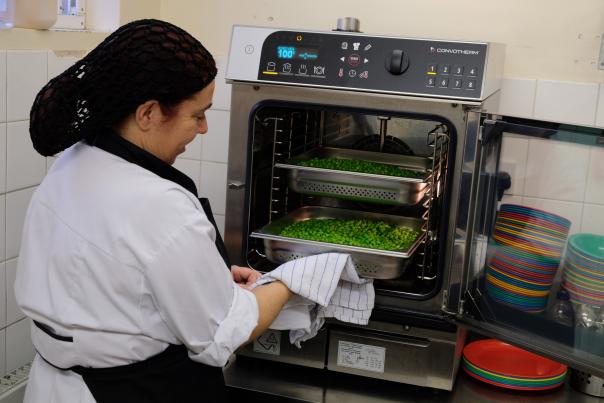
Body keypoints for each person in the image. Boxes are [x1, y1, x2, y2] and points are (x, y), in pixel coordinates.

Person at [14, 19, 292, 403]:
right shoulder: (160, 205)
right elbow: (222, 335)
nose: (203, 128)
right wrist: (289, 284)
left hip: (53, 387)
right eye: (197, 115)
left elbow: (111, 276)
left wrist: (206, 278)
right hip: (125, 391)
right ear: (148, 113)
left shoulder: (73, 160)